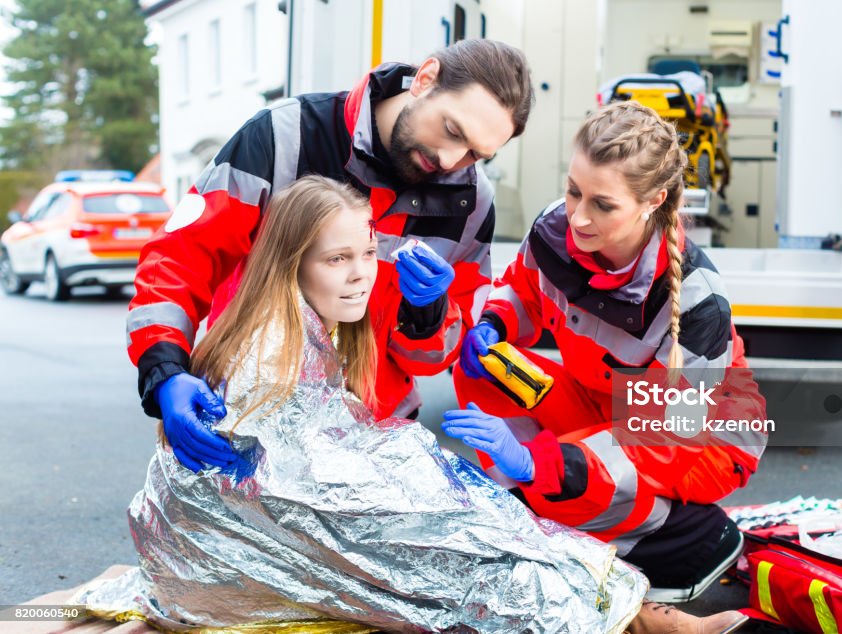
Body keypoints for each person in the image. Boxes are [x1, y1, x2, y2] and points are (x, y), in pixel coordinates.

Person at [78, 176, 745, 634]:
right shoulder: (269, 339)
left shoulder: (696, 306)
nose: (363, 271)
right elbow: (284, 474)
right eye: (339, 258)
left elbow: (392, 385)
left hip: (283, 503)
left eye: (368, 252)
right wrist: (412, 467)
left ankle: (630, 606)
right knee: (464, 539)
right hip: (229, 541)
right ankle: (638, 614)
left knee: (477, 513)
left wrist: (429, 319)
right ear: (291, 263)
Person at [126, 38, 532, 474]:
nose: (452, 159)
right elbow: (182, 257)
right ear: (426, 78)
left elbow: (435, 357)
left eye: (475, 154)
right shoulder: (286, 136)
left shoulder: (471, 200)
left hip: (372, 441)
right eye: (452, 130)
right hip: (248, 419)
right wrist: (165, 369)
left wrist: (427, 313)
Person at [445, 100, 767, 604]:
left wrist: (545, 463)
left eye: (603, 204)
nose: (578, 216)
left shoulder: (698, 304)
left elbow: (666, 440)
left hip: (701, 441)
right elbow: (523, 291)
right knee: (489, 370)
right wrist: (493, 323)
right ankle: (534, 507)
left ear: (654, 200)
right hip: (602, 398)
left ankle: (685, 540)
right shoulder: (555, 229)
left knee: (567, 478)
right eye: (574, 191)